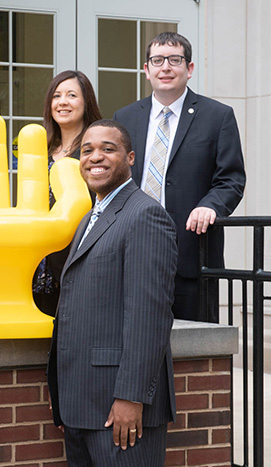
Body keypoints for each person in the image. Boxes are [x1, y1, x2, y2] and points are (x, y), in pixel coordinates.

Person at [47, 119, 177, 466]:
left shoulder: (146, 215)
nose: (95, 157)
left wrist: (131, 397)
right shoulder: (88, 219)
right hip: (81, 404)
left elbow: (149, 317)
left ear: (130, 158)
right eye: (87, 150)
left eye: (108, 148)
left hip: (119, 410)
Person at [113, 31, 246, 322]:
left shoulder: (217, 116)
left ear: (189, 68)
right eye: (157, 60)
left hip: (191, 255)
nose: (166, 67)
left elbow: (231, 178)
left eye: (175, 60)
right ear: (146, 70)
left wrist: (211, 206)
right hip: (133, 250)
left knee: (193, 348)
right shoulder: (124, 118)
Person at [33, 70, 102, 317]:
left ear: (86, 102)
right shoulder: (39, 150)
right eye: (57, 95)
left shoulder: (96, 149)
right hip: (39, 256)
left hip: (81, 254)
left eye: (72, 95)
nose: (62, 102)